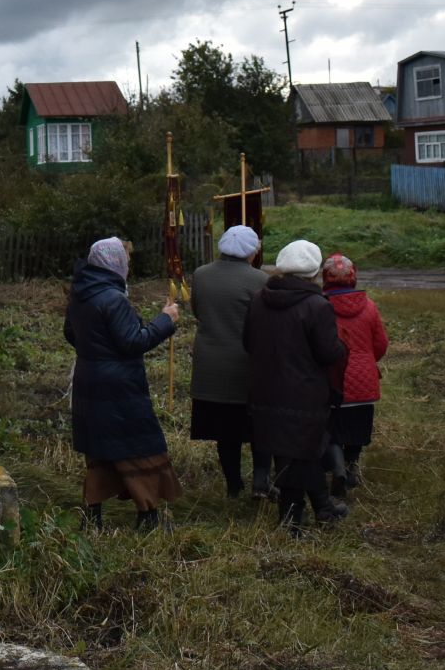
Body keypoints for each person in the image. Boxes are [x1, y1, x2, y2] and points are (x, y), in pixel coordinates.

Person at [65, 237, 183, 530]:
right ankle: (148, 517)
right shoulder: (112, 298)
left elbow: (70, 333)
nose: (128, 265)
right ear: (115, 263)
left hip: (89, 380)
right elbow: (133, 342)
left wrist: (95, 351)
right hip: (118, 386)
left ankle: (92, 518)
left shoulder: (81, 293)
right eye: (126, 260)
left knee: (101, 449)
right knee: (137, 449)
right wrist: (165, 320)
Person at [243, 240, 349, 533]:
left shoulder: (257, 299)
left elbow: (247, 343)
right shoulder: (317, 306)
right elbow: (329, 353)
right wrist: (343, 347)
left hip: (265, 388)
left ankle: (322, 508)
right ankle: (291, 518)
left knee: (296, 452)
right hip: (304, 393)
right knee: (302, 452)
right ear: (315, 272)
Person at [188, 224, 274, 499]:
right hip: (247, 365)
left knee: (225, 432)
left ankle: (233, 486)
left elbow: (198, 311)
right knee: (259, 424)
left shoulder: (201, 276)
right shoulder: (260, 280)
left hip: (210, 366)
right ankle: (261, 480)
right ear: (251, 252)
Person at [319, 253, 388, 495]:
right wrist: (367, 361)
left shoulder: (321, 306)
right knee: (358, 428)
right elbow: (380, 344)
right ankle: (351, 467)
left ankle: (337, 467)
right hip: (364, 381)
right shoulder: (369, 307)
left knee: (333, 429)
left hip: (332, 380)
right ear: (353, 277)